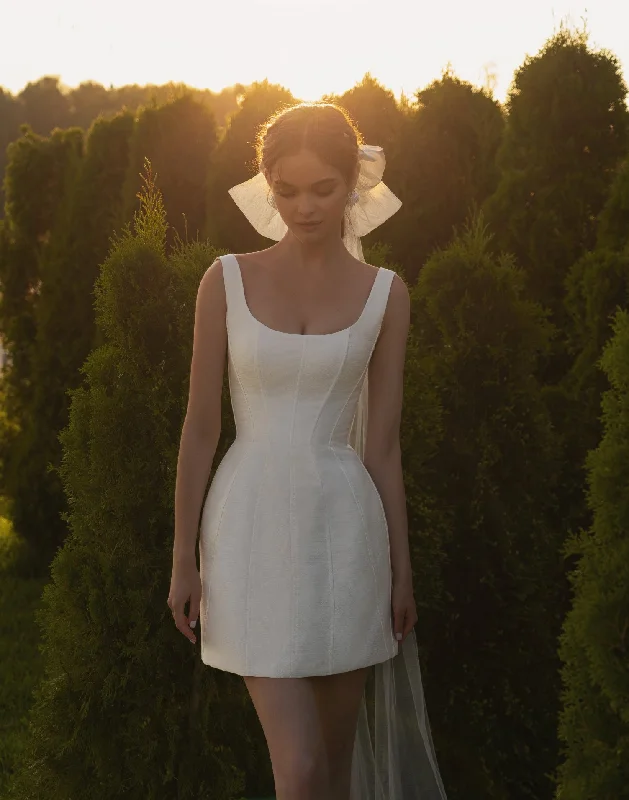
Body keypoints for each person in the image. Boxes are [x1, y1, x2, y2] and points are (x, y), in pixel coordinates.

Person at [168, 102, 448, 800]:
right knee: (297, 770)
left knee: (333, 768)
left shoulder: (387, 294)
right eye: (286, 189)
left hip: (346, 535)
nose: (304, 206)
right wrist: (181, 559)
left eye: (322, 189)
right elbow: (201, 428)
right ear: (266, 184)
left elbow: (382, 446)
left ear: (352, 182)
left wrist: (400, 571)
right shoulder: (224, 279)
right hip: (247, 530)